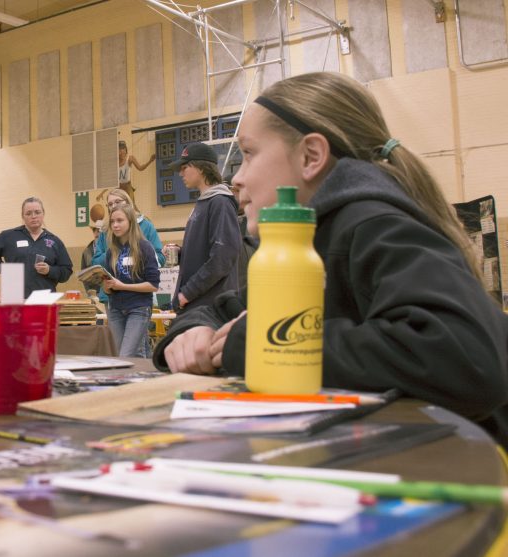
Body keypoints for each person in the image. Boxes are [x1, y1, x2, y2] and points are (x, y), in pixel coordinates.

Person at [153, 71, 508, 447]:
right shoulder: (309, 242)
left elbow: (467, 356)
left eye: (249, 154)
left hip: (467, 467)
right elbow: (231, 311)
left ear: (311, 156)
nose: (237, 178)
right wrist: (189, 333)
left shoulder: (374, 224)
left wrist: (269, 346)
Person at [166, 141, 241, 312]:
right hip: (197, 304)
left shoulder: (220, 203)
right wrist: (180, 253)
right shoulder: (204, 203)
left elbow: (223, 257)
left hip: (210, 306)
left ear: (200, 167)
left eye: (184, 167)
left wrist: (188, 293)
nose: (180, 173)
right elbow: (203, 252)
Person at [102, 205, 159, 357]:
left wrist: (123, 286)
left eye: (120, 220)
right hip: (115, 309)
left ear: (130, 222)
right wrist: (107, 287)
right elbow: (110, 289)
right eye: (112, 221)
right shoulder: (111, 251)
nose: (115, 225)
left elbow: (153, 285)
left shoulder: (144, 247)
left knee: (126, 355)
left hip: (138, 309)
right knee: (121, 357)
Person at [92, 189, 165, 306]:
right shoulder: (105, 231)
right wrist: (115, 254)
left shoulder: (146, 226)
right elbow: (95, 262)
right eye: (110, 204)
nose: (113, 206)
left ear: (128, 203)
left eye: (117, 202)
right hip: (111, 294)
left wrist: (137, 255)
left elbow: (160, 258)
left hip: (138, 295)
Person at [0, 198, 73, 297]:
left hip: (44, 297)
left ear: (43, 214)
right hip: (13, 296)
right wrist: (5, 269)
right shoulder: (8, 236)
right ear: (23, 216)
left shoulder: (55, 241)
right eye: (28, 213)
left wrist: (50, 270)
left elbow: (66, 271)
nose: (33, 216)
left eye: (37, 212)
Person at [118, 140, 155, 210]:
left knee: (132, 206)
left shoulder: (130, 159)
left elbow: (140, 168)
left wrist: (150, 161)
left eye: (123, 149)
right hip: (119, 188)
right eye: (120, 150)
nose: (121, 152)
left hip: (127, 187)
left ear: (125, 150)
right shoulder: (115, 162)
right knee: (119, 207)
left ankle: (140, 219)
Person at [79, 223, 103, 295]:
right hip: (93, 291)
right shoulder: (86, 252)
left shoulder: (109, 249)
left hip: (108, 291)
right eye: (95, 230)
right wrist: (88, 291)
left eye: (99, 230)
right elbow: (83, 273)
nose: (97, 232)